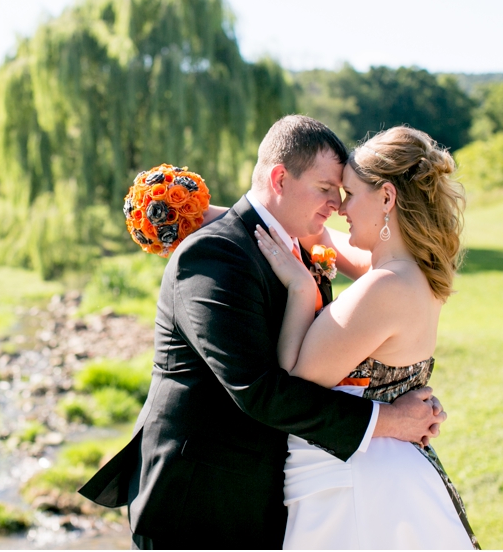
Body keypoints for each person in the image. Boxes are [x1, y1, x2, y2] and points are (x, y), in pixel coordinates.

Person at [78, 115, 446, 549]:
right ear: (279, 179)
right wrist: (390, 419)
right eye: (326, 189)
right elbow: (259, 389)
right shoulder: (217, 253)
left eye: (343, 193)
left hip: (264, 493)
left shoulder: (299, 245)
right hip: (201, 500)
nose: (336, 205)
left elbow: (380, 266)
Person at [254, 125, 478, 549]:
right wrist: (201, 213)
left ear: (388, 198)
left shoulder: (384, 288)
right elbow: (314, 233)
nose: (339, 207)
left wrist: (302, 290)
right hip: (385, 471)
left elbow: (294, 379)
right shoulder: (418, 272)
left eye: (351, 194)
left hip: (355, 483)